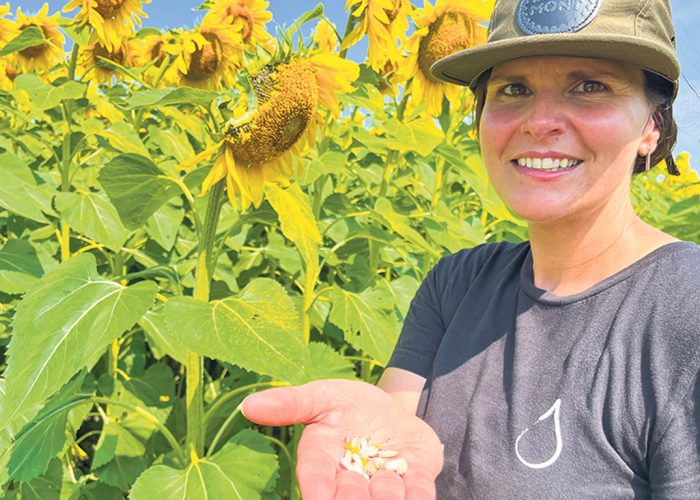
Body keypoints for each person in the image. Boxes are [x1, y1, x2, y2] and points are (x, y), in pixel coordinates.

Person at [242, 0, 700, 497]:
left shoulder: (685, 310)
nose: (540, 120)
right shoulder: (457, 282)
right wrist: (372, 435)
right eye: (513, 89)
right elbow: (398, 417)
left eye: (589, 86)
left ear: (651, 124)